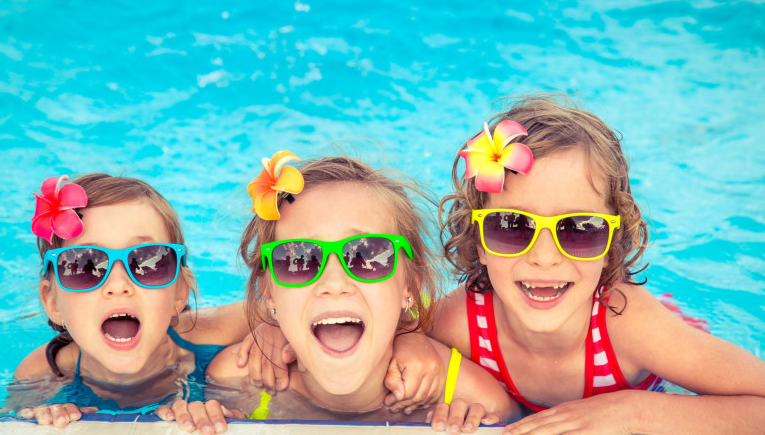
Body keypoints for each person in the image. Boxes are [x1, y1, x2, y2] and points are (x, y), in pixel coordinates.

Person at [426, 96, 765, 434]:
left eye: (579, 229)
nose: (544, 257)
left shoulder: (632, 328)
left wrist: (635, 412)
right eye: (511, 225)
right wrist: (413, 347)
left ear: (610, 245)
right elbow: (389, 330)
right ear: (478, 239)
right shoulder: (462, 321)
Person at [161, 155, 520, 434]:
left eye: (366, 255)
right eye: (298, 259)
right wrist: (203, 419)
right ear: (268, 293)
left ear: (409, 287)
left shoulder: (470, 396)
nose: (334, 282)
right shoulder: (240, 382)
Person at [10, 174, 238, 427]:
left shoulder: (213, 333)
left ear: (180, 292)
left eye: (146, 261)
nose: (118, 285)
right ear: (52, 302)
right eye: (85, 266)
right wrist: (46, 415)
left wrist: (268, 333)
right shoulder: (41, 374)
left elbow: (272, 309)